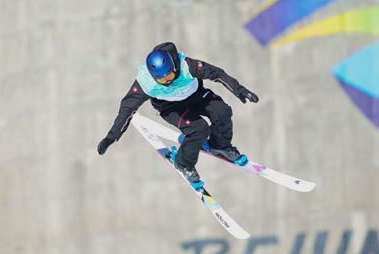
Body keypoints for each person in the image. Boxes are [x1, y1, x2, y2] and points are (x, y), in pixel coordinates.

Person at [97, 41, 259, 186]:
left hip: (196, 96)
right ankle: (183, 163)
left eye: (171, 75)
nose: (169, 81)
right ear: (154, 77)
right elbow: (126, 109)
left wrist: (239, 90)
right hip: (171, 108)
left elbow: (217, 73)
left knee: (222, 112)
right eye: (163, 80)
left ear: (174, 67)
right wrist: (111, 137)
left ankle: (220, 145)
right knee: (199, 129)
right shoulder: (145, 83)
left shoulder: (188, 66)